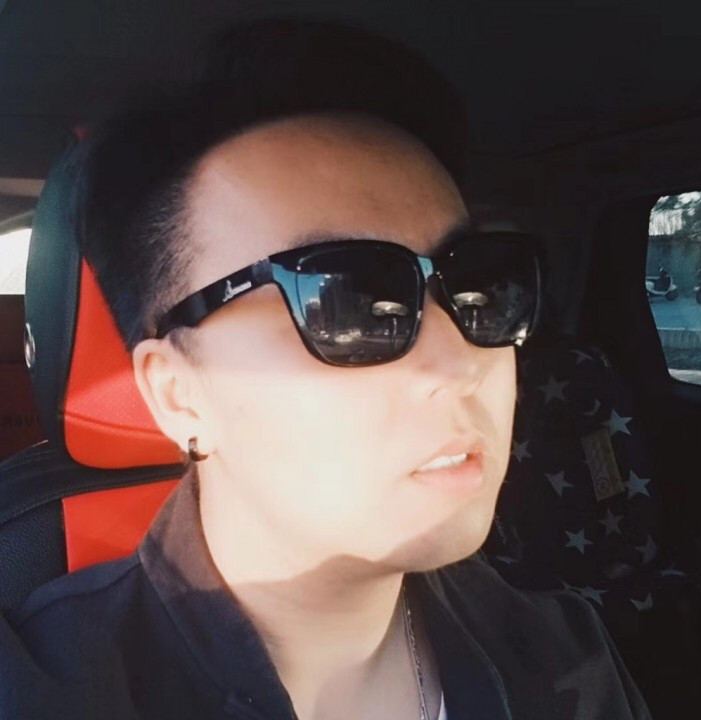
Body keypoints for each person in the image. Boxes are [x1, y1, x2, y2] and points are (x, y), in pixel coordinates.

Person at [0, 19, 650, 720]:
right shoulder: (47, 693)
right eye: (348, 303)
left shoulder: (562, 654)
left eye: (477, 288)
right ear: (178, 394)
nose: (461, 363)